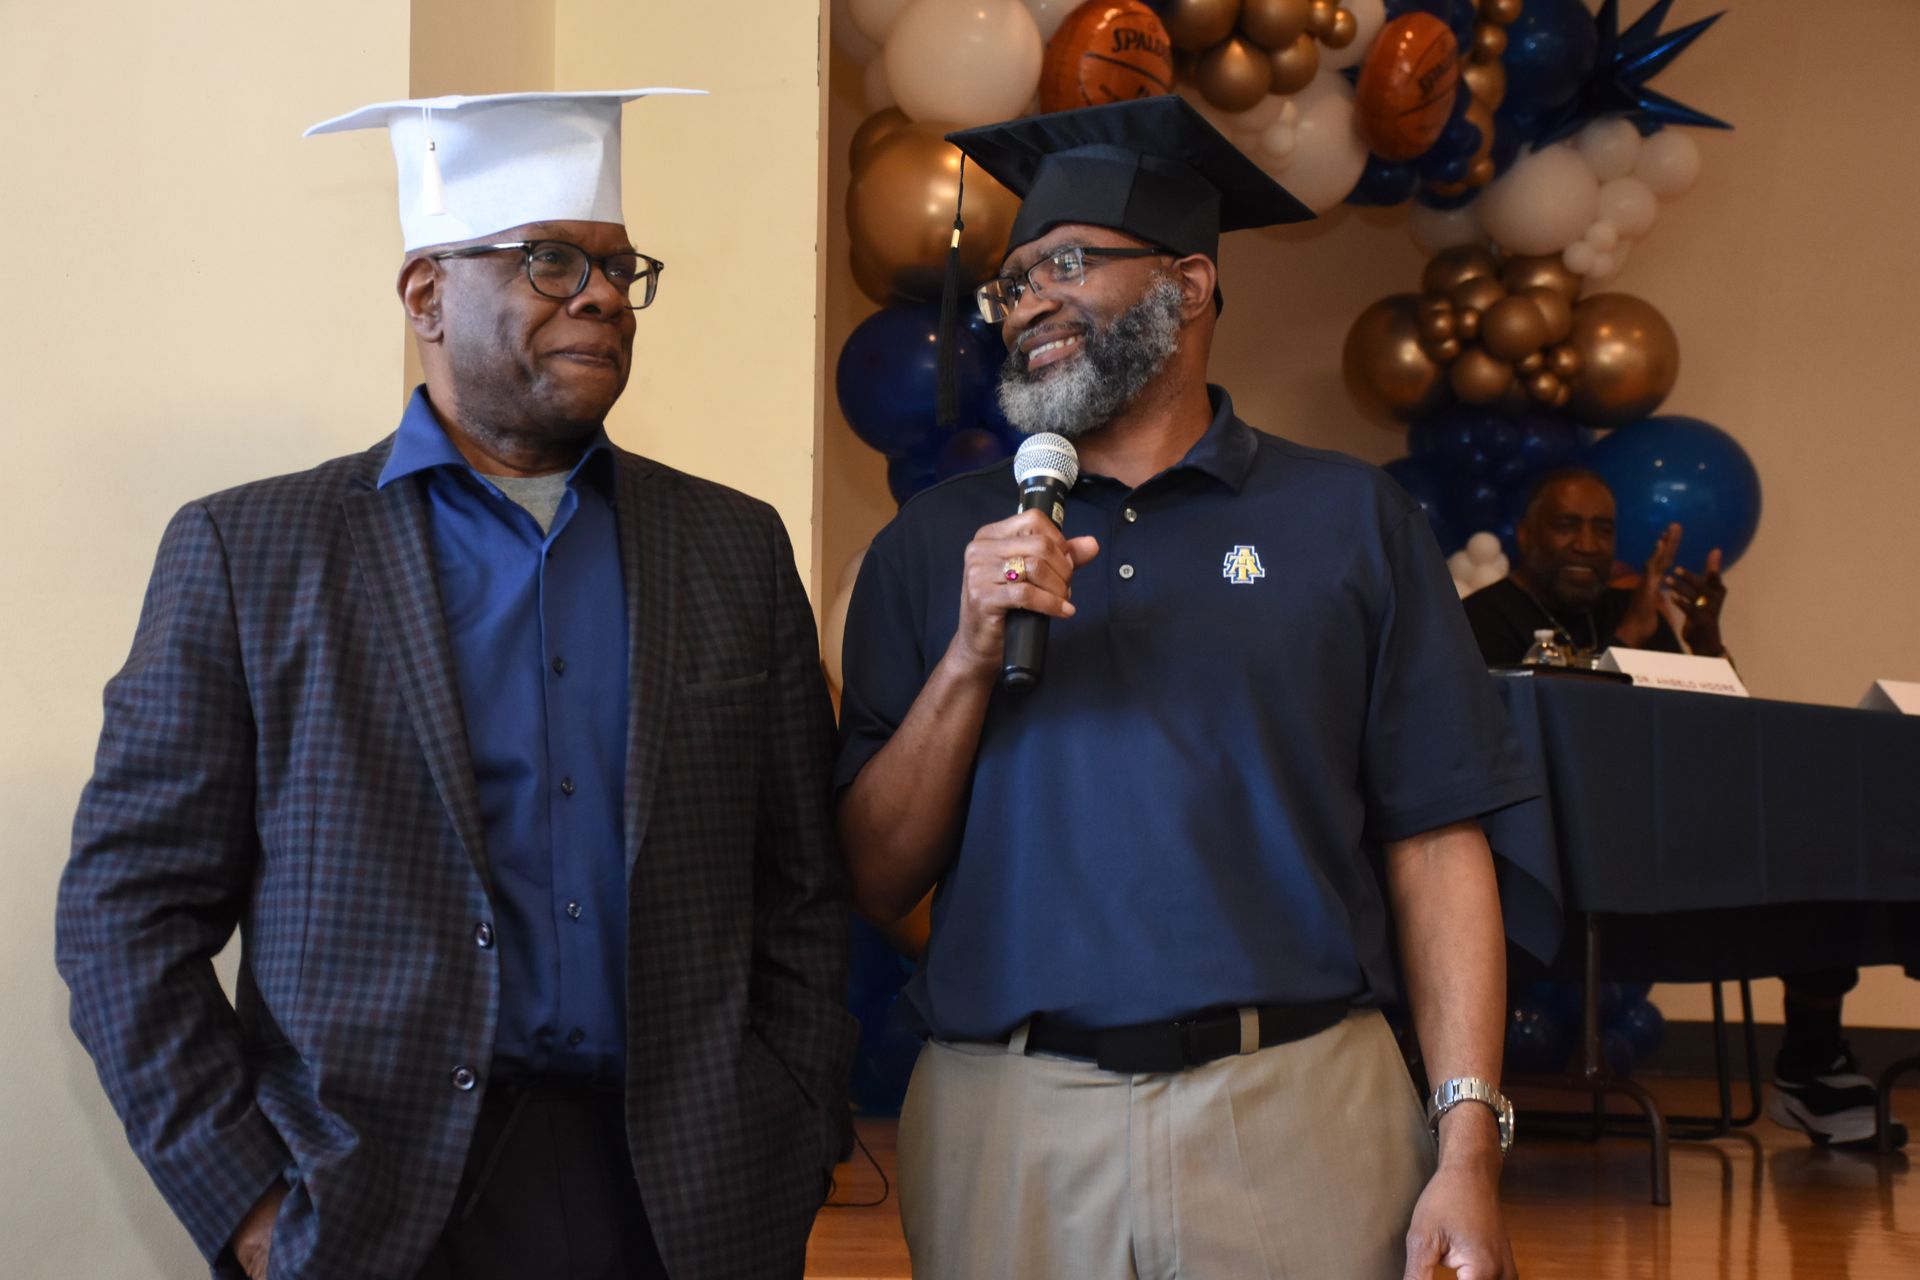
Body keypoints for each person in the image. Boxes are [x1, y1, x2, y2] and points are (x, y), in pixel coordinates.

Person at [56, 90, 856, 1280]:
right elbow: (124, 912)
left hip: (686, 1200)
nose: (599, 295)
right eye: (550, 260)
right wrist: (250, 1203)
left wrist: (790, 1131)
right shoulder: (250, 551)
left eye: (617, 267)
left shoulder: (732, 546)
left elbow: (801, 889)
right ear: (426, 293)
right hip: (367, 1202)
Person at [835, 97, 1536, 1280]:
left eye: (1067, 264)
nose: (1030, 303)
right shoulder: (936, 543)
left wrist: (1468, 1141)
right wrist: (967, 655)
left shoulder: (1348, 519)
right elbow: (874, 872)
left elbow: (1436, 841)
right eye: (1013, 284)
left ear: (1191, 283)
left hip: (1301, 1103)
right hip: (1012, 1119)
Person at [1462, 467, 1903, 1150]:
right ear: (1526, 534)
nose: (1587, 544)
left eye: (1602, 529)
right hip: (1547, 857)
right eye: (1567, 525)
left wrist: (1705, 639)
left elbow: (1717, 733)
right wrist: (1629, 639)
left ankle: (1810, 1065)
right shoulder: (1479, 619)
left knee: (1815, 845)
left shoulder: (1632, 608)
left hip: (1662, 848)